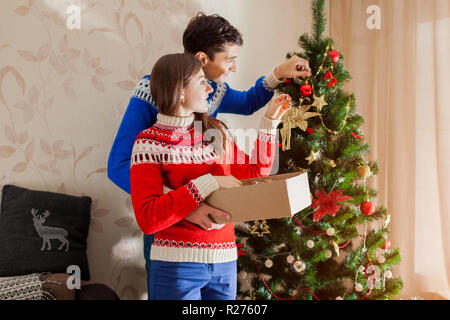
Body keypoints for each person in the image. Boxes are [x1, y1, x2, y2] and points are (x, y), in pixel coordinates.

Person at [107, 13, 311, 297]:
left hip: (219, 250)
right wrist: (188, 205)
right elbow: (120, 165)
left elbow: (250, 105)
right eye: (229, 60)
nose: (233, 67)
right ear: (203, 60)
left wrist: (278, 80)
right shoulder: (153, 97)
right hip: (171, 237)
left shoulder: (213, 113)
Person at [130, 53, 291, 300]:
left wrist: (269, 122)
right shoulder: (147, 144)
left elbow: (255, 173)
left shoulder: (216, 131)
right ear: (179, 91)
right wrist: (209, 183)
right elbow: (149, 218)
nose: (209, 88)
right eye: (200, 81)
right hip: (177, 268)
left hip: (225, 264)